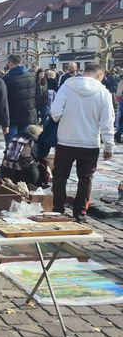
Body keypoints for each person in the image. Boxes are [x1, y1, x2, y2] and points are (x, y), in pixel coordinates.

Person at [50, 63, 115, 221]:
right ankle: (80, 213)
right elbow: (107, 121)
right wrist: (109, 145)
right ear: (99, 75)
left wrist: (63, 118)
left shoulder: (67, 85)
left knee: (60, 175)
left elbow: (55, 112)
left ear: (84, 72)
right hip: (89, 142)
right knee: (86, 178)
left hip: (66, 139)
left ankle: (58, 208)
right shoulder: (103, 92)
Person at [2, 54, 36, 144]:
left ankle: (11, 158)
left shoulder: (7, 78)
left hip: (12, 115)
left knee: (11, 146)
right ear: (20, 62)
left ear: (10, 63)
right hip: (28, 114)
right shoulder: (32, 76)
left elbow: (3, 99)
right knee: (24, 146)